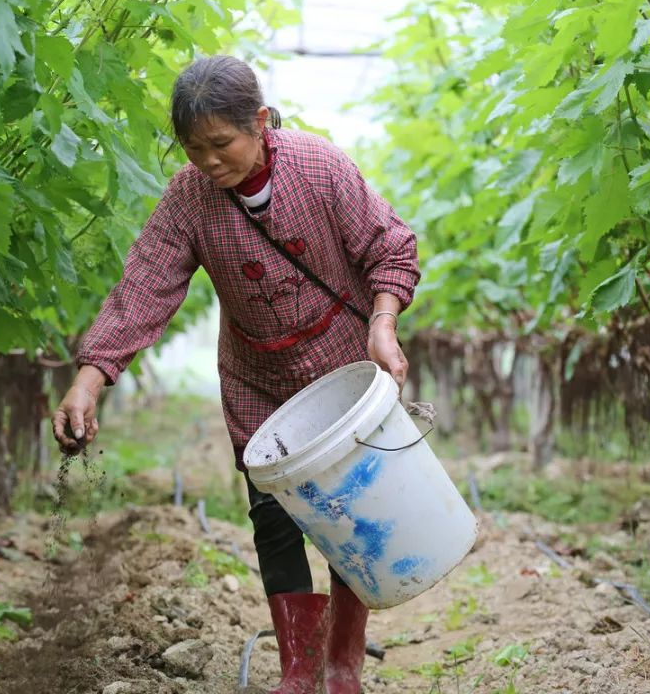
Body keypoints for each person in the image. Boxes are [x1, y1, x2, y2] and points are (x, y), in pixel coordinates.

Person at [52, 55, 419, 694]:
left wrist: (383, 323)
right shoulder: (189, 199)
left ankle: (342, 670)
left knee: (348, 514)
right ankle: (297, 674)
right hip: (258, 381)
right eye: (196, 150)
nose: (210, 162)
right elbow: (143, 288)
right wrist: (89, 379)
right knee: (274, 521)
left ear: (259, 121)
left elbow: (390, 247)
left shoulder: (319, 168)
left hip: (342, 372)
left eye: (221, 144)